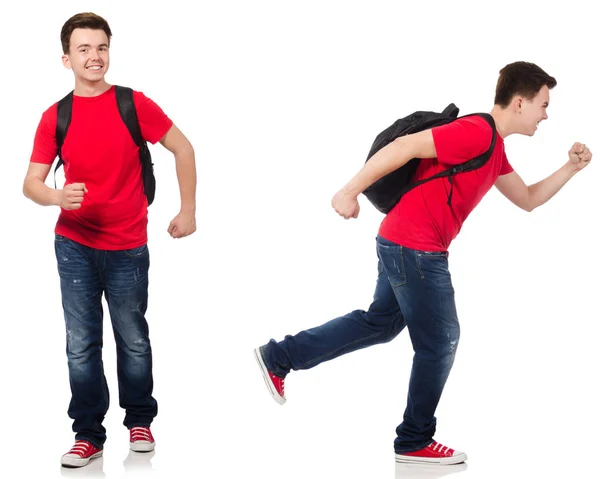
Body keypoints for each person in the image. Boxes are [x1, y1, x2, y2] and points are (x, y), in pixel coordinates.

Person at [254, 61, 592, 465]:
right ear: (519, 102)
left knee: (379, 323)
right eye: (543, 104)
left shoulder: (494, 148)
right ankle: (414, 440)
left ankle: (279, 356)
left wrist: (572, 167)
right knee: (440, 341)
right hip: (416, 248)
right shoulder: (476, 132)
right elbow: (404, 147)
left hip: (401, 242)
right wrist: (349, 192)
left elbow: (528, 199)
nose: (546, 114)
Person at [22, 12, 197, 468]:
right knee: (81, 342)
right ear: (66, 58)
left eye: (101, 47)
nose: (94, 56)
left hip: (126, 246)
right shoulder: (55, 116)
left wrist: (188, 210)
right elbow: (31, 184)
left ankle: (140, 421)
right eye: (83, 49)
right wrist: (58, 195)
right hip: (74, 245)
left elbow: (184, 148)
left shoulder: (133, 104)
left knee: (133, 336)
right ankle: (88, 435)